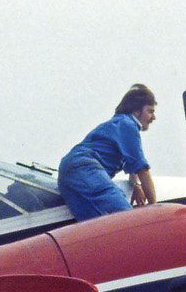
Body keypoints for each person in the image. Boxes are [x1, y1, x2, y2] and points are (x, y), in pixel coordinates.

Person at [58, 84, 160, 221]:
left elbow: (133, 167)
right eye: (150, 111)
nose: (153, 117)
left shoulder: (117, 124)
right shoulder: (128, 125)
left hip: (68, 172)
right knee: (128, 219)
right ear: (136, 110)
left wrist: (136, 185)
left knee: (97, 226)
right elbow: (142, 169)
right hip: (85, 167)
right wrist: (156, 210)